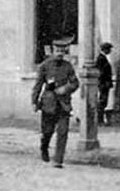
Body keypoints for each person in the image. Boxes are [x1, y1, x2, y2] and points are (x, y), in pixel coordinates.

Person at [31, 38, 79, 168]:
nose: (60, 54)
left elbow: (75, 83)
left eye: (62, 51)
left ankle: (58, 160)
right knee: (47, 131)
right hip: (48, 103)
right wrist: (34, 101)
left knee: (63, 132)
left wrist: (66, 88)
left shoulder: (68, 66)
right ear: (52, 51)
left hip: (63, 104)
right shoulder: (44, 66)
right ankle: (44, 147)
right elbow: (38, 85)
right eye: (58, 51)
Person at [95, 42, 113, 126]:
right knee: (102, 101)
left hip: (104, 83)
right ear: (105, 50)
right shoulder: (101, 59)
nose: (110, 51)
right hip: (103, 83)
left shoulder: (102, 58)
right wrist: (105, 82)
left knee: (103, 101)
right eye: (109, 49)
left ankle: (100, 119)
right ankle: (99, 120)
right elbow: (101, 72)